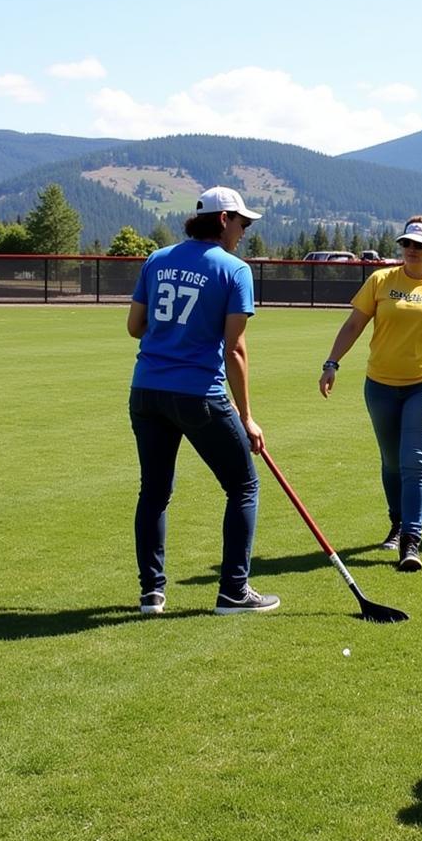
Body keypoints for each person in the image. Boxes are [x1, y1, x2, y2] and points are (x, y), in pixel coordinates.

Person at [126, 186, 279, 616]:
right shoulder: (234, 270)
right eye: (243, 223)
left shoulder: (157, 259)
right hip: (198, 394)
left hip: (147, 391)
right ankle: (233, 591)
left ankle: (151, 594)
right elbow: (235, 349)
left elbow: (135, 327)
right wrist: (247, 417)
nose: (245, 232)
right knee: (244, 486)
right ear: (224, 219)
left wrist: (172, 331)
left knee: (154, 491)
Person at [318, 216, 422, 571]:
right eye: (406, 244)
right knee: (391, 462)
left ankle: (411, 541)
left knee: (415, 462)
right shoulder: (381, 280)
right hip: (381, 386)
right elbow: (354, 324)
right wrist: (332, 363)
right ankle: (397, 522)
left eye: (419, 245)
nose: (411, 250)